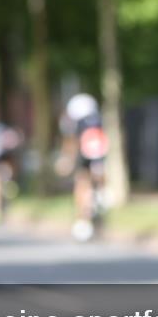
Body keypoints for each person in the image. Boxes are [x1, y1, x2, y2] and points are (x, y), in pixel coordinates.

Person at [55, 93, 108, 241]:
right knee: (97, 178)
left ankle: (83, 220)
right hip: (99, 156)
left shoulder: (73, 123)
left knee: (81, 183)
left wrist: (66, 161)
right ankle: (100, 196)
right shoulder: (100, 120)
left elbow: (70, 142)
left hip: (83, 155)